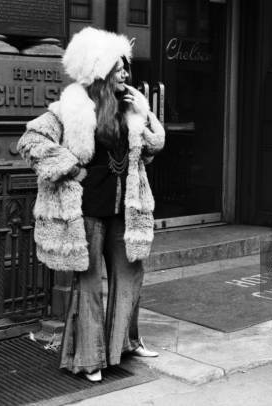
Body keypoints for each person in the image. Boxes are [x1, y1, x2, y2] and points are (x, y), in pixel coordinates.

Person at [17, 27, 164, 382]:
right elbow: (30, 140)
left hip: (125, 207)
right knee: (89, 282)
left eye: (126, 67)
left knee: (130, 275)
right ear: (101, 70)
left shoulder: (130, 106)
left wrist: (146, 118)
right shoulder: (70, 106)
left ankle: (126, 342)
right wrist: (72, 168)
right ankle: (90, 358)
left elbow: (151, 148)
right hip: (86, 209)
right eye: (120, 67)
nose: (127, 74)